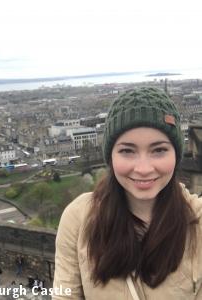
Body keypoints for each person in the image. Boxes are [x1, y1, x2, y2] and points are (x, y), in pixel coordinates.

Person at [53, 87, 202, 299]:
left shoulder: (198, 222)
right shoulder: (77, 217)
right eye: (127, 151)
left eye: (159, 150)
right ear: (110, 156)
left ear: (176, 155)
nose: (143, 168)